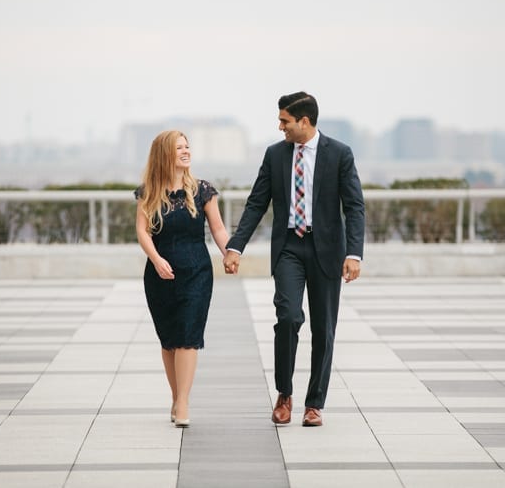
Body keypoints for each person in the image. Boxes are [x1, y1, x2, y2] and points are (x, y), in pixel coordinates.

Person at [223, 92, 365, 427]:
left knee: (323, 329)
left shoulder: (340, 154)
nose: (280, 126)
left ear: (304, 121)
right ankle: (284, 393)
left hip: (327, 250)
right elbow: (256, 203)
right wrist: (235, 246)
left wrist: (354, 254)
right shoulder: (275, 155)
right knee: (287, 316)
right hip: (289, 248)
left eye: (285, 120)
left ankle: (314, 404)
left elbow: (355, 206)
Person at [135, 130, 230, 428]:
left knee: (189, 335)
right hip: (160, 273)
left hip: (197, 272)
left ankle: (184, 401)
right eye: (179, 148)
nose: (186, 151)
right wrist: (156, 259)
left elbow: (217, 228)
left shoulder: (202, 190)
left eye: (187, 146)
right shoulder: (148, 192)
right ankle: (176, 397)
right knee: (169, 340)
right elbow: (142, 232)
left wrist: (230, 252)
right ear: (165, 154)